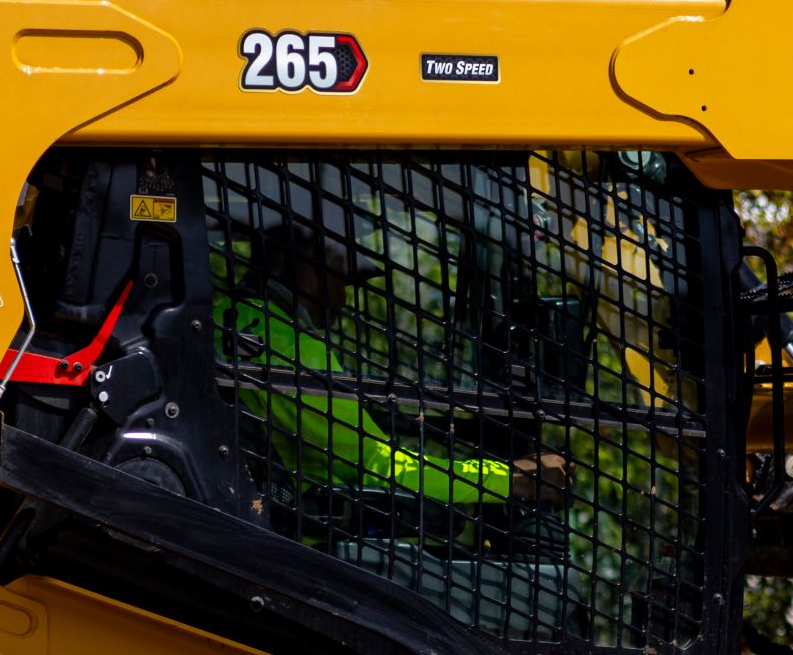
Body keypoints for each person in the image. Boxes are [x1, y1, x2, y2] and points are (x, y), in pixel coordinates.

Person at [220, 211, 566, 508]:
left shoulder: (219, 318)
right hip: (304, 544)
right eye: (344, 276)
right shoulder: (295, 347)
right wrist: (516, 480)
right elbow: (378, 466)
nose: (345, 295)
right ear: (311, 265)